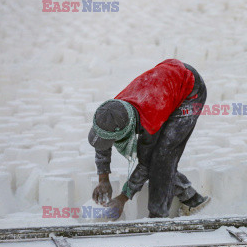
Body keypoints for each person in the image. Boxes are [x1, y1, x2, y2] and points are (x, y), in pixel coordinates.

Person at [88, 59, 210, 219]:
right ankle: (192, 198)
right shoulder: (112, 109)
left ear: (125, 131)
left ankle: (160, 218)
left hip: (190, 90)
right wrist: (103, 178)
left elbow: (147, 164)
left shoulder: (150, 124)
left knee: (162, 158)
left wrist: (123, 198)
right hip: (165, 80)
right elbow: (102, 137)